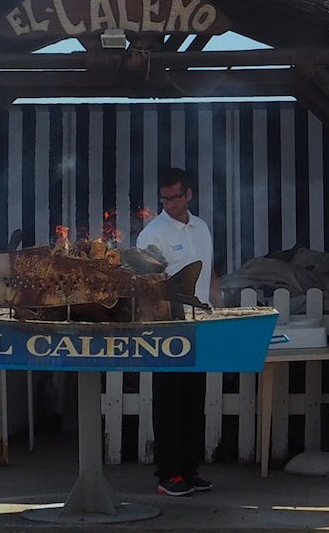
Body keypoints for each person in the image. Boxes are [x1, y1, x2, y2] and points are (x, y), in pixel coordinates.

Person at [135, 167, 217, 497]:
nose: (170, 204)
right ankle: (168, 474)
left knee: (195, 398)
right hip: (167, 324)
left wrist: (219, 308)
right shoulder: (152, 235)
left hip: (200, 320)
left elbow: (210, 272)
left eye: (175, 197)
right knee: (168, 399)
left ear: (189, 195)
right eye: (165, 199)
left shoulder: (202, 228)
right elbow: (146, 285)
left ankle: (190, 469)